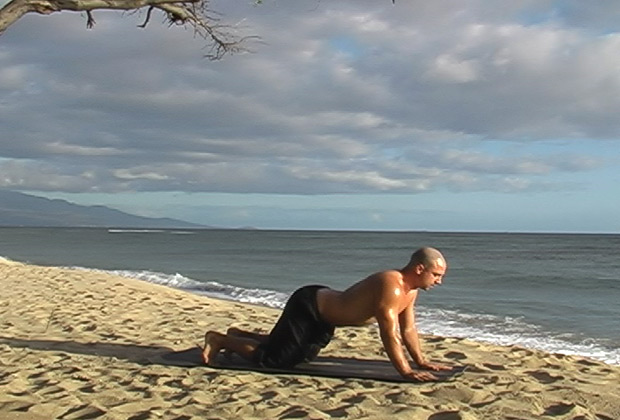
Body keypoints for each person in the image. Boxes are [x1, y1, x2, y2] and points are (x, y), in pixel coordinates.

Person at [202, 247, 451, 381]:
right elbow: (390, 333)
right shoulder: (392, 286)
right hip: (309, 306)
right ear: (420, 268)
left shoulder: (411, 291)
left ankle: (240, 334)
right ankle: (221, 340)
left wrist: (421, 361)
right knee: (278, 361)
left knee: (301, 355)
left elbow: (408, 329)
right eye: (436, 275)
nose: (439, 281)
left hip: (325, 315)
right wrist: (405, 371)